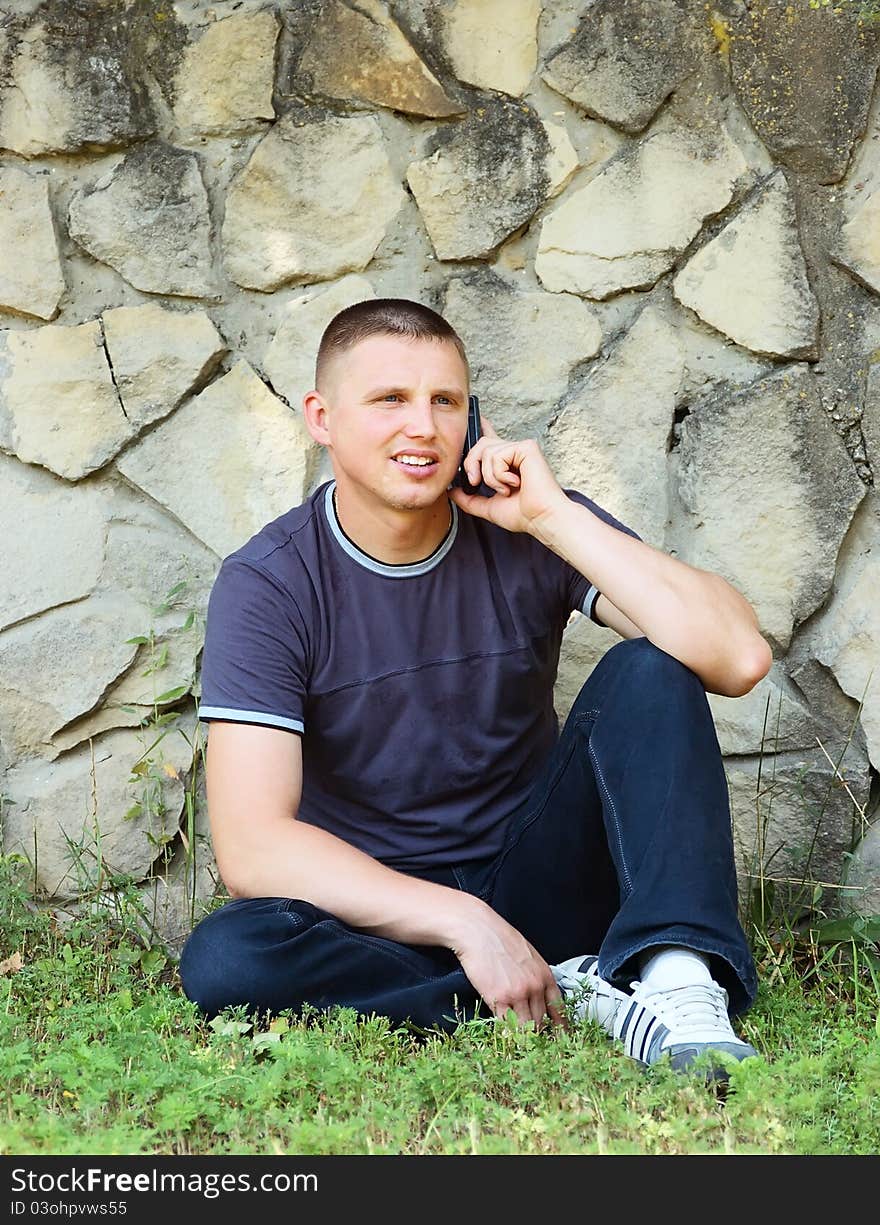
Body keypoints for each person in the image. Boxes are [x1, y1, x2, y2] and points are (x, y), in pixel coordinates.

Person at [180, 298, 773, 1081]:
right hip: (387, 915)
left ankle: (676, 981)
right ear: (322, 418)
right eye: (390, 399)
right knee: (227, 959)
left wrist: (554, 517)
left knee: (654, 666)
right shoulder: (271, 584)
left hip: (544, 879)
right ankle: (574, 988)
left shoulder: (526, 525)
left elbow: (737, 657)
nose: (422, 426)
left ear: (473, 416)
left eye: (446, 401)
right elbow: (254, 846)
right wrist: (464, 922)